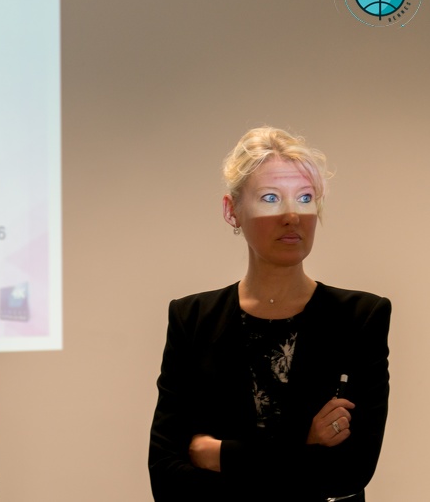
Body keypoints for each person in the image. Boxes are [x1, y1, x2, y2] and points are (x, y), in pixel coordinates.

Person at [148, 127, 390, 502]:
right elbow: (167, 478)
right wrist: (306, 442)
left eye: (305, 198)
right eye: (271, 198)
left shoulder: (360, 317)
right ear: (232, 211)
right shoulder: (192, 318)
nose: (292, 216)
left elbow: (348, 472)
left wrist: (218, 455)